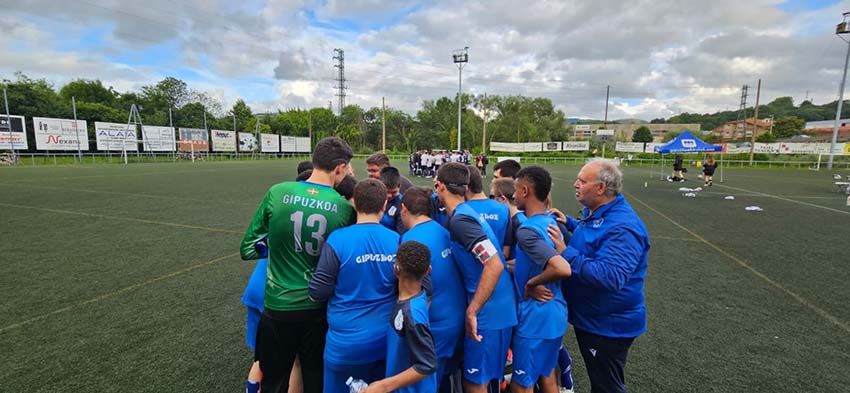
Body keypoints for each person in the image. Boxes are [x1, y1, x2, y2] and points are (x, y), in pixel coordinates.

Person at [240, 136, 356, 393]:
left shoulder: (278, 192)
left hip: (277, 306)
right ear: (339, 167)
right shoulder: (343, 208)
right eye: (347, 167)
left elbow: (247, 249)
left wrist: (277, 245)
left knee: (273, 380)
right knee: (314, 378)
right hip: (317, 310)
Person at [545, 158, 649, 393]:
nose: (575, 184)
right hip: (595, 318)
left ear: (601, 188)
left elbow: (611, 277)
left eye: (582, 181)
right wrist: (571, 224)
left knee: (607, 386)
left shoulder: (623, 227)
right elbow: (594, 237)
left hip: (608, 326)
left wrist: (565, 252)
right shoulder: (599, 211)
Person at [308, 179, 400, 393]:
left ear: (354, 203)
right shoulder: (396, 239)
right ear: (384, 205)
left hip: (345, 344)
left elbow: (318, 292)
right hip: (385, 340)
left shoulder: (338, 240)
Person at [435, 162, 517, 393]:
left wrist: (472, 311)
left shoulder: (461, 220)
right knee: (486, 380)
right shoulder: (465, 214)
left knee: (475, 383)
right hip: (497, 309)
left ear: (440, 186)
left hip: (488, 314)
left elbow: (494, 263)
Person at [509, 166, 573, 393]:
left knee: (521, 385)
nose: (513, 195)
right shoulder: (550, 223)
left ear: (525, 190)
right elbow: (533, 261)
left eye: (515, 190)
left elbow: (562, 268)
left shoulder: (527, 230)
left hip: (536, 317)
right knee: (547, 376)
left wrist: (531, 283)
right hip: (555, 313)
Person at [400, 187, 465, 392]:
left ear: (404, 209)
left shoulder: (411, 240)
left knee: (425, 382)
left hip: (436, 325)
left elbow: (421, 289)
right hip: (456, 318)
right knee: (444, 378)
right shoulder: (443, 230)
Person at [362, 240, 438, 393]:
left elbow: (427, 364)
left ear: (395, 270)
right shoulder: (420, 296)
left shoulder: (412, 315)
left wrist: (384, 386)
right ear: (428, 270)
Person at [379, 167, 405, 234]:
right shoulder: (373, 198)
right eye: (386, 192)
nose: (389, 195)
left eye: (394, 192)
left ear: (399, 187)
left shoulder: (402, 204)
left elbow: (401, 233)